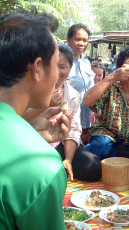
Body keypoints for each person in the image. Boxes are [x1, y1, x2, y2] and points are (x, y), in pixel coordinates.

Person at [0, 11, 72, 229]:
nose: (58, 75)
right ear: (37, 67)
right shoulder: (41, 167)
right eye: (56, 65)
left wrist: (26, 130)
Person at [83, 47, 129, 160]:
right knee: (103, 146)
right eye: (128, 63)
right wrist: (112, 77)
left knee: (126, 153)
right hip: (106, 136)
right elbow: (87, 101)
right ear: (119, 68)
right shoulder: (110, 86)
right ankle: (82, 156)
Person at [53, 44, 101, 181]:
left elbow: (74, 129)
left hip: (62, 144)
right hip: (40, 145)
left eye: (62, 67)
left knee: (94, 167)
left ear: (70, 68)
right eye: (54, 66)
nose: (57, 72)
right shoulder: (36, 90)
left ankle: (63, 165)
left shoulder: (72, 95)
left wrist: (68, 160)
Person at [67, 23, 95, 145]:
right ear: (68, 38)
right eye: (77, 39)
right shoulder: (61, 61)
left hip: (85, 120)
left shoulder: (86, 62)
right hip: (69, 121)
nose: (82, 43)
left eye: (85, 40)